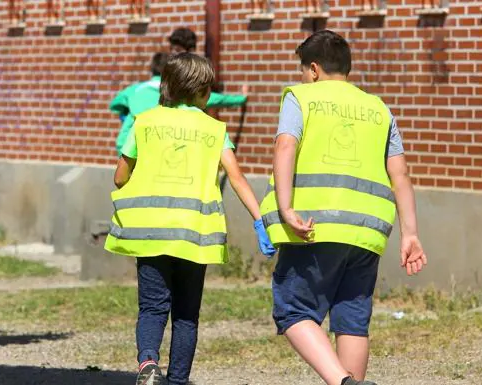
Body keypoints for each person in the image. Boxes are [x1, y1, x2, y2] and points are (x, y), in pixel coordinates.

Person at [259, 30, 428, 385]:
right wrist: (410, 233)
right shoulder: (380, 109)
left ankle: (344, 382)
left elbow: (285, 147)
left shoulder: (302, 98)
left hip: (314, 226)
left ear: (314, 69)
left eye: (303, 70)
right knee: (352, 319)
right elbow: (400, 173)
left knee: (293, 309)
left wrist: (286, 207)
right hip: (366, 232)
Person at [104, 52, 275, 385]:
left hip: (149, 231)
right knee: (186, 316)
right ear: (201, 92)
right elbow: (237, 177)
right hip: (194, 234)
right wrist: (260, 220)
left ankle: (148, 363)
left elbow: (120, 177)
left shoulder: (145, 122)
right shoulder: (213, 129)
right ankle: (178, 380)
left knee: (153, 307)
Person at [110, 28, 248, 156]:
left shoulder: (188, 76)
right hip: (151, 140)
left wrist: (240, 99)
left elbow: (214, 99)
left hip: (154, 142)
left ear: (191, 50)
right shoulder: (167, 81)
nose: (173, 54)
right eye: (172, 49)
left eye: (177, 49)